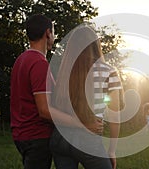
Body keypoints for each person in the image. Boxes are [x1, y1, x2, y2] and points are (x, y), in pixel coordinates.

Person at [10, 14, 103, 169]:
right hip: (37, 136)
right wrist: (81, 124)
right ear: (48, 33)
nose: (54, 37)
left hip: (21, 135)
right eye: (53, 33)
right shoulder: (39, 63)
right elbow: (45, 110)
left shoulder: (21, 60)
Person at [50, 25, 124, 169]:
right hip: (88, 138)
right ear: (95, 45)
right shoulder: (108, 72)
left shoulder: (64, 72)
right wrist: (112, 150)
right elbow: (114, 116)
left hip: (60, 138)